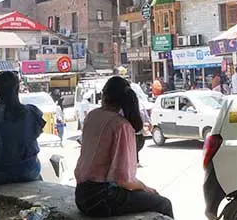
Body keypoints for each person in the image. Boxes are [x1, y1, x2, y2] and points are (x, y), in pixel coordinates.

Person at [74, 76, 174, 218]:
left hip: (82, 195)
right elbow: (124, 180)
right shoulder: (121, 126)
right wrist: (146, 188)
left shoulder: (92, 115)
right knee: (163, 203)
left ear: (104, 95)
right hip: (101, 199)